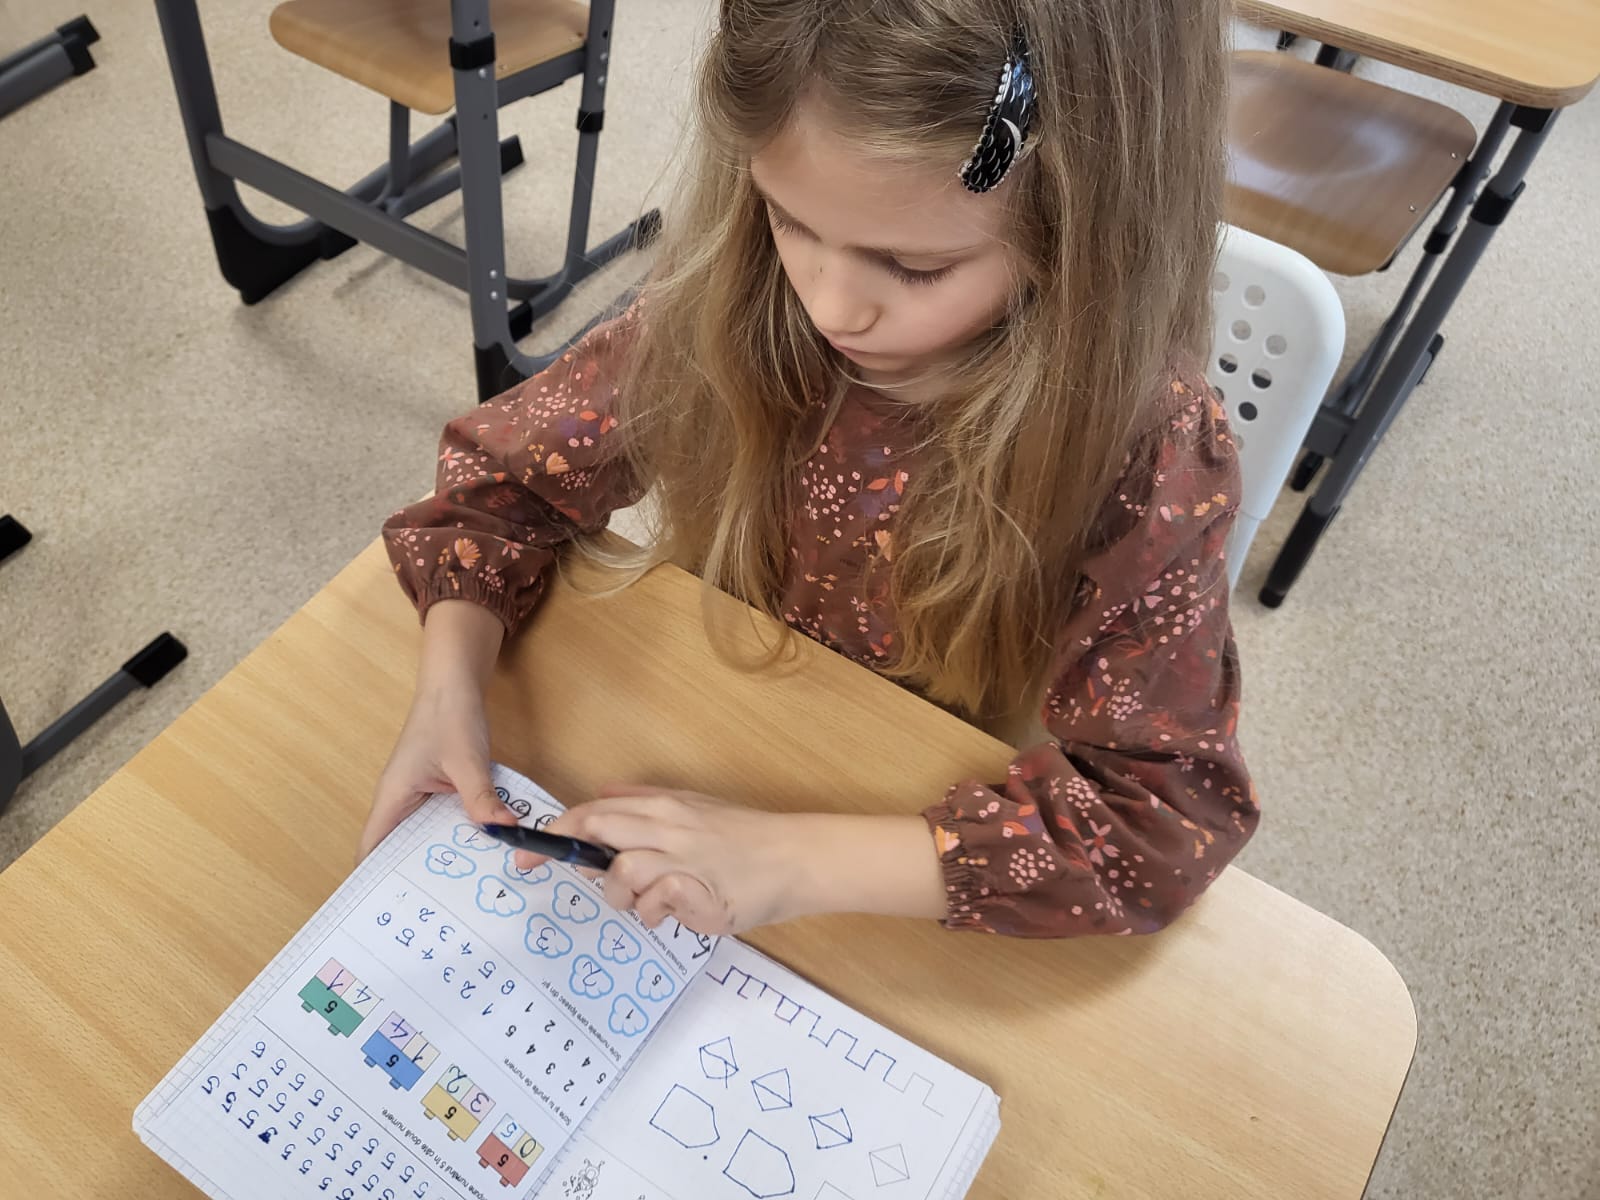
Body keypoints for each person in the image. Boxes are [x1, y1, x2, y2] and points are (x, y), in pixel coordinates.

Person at [362, 0, 1257, 940]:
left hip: (915, 815)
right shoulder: (728, 299)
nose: (832, 308)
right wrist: (448, 688)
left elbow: (1160, 823)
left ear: (1080, 229)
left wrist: (787, 862)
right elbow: (496, 489)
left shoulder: (1147, 447)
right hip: (729, 731)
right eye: (787, 219)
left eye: (913, 267)